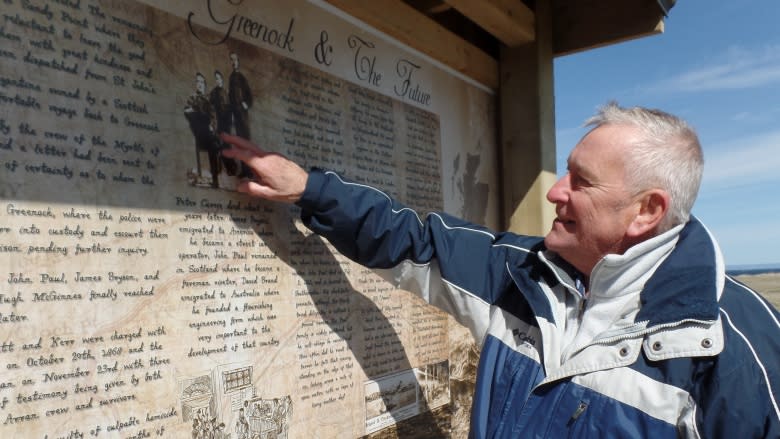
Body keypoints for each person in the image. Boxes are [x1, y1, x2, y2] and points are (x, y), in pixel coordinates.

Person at [219, 102, 780, 438]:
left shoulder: (734, 348)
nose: (556, 192)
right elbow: (413, 242)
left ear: (647, 211)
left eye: (581, 181)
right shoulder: (521, 275)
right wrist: (308, 189)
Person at [184, 72, 220, 188]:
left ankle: (214, 177)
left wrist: (212, 127)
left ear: (205, 85)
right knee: (212, 141)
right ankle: (199, 176)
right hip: (198, 131)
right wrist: (200, 115)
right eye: (197, 82)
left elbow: (213, 118)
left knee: (215, 144)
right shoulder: (193, 98)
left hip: (208, 133)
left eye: (201, 82)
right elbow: (187, 112)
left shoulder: (209, 101)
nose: (199, 84)